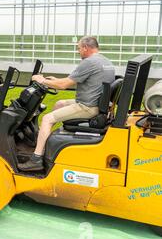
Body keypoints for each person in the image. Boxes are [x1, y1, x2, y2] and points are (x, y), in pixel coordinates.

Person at [18, 36, 116, 171]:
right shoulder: (105, 61)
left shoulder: (89, 62)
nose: (78, 51)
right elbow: (71, 80)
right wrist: (54, 80)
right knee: (59, 103)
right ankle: (42, 141)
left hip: (88, 107)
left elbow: (64, 85)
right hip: (95, 103)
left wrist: (42, 80)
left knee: (47, 119)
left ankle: (36, 158)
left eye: (79, 48)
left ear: (86, 48)